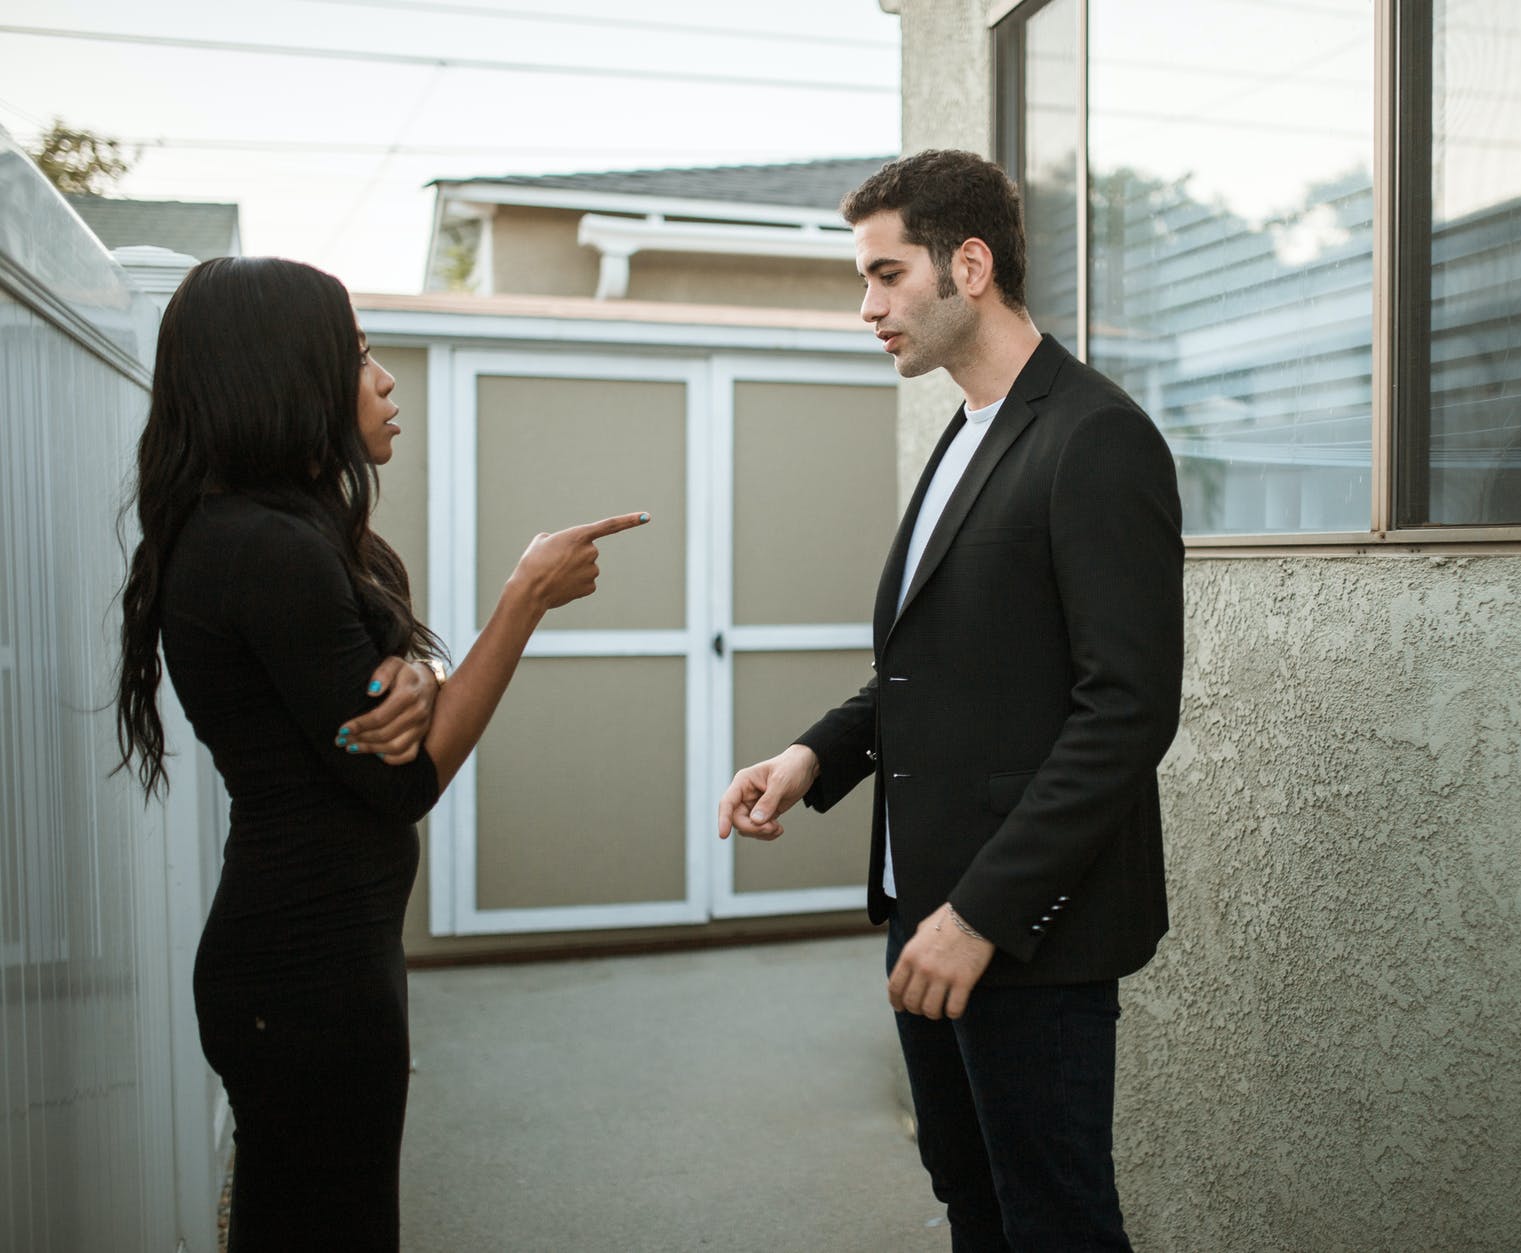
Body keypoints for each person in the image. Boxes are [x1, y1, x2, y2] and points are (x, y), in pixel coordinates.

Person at [113, 256, 648, 1252]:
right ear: (288, 378)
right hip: (305, 978)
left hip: (309, 965)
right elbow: (401, 779)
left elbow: (377, 718)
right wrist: (523, 598)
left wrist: (413, 667)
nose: (385, 378)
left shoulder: (258, 533)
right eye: (358, 356)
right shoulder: (266, 549)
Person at [718, 150, 1183, 1251]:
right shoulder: (966, 427)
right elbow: (936, 665)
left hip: (1020, 932)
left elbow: (1125, 710)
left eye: (885, 275)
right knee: (972, 1202)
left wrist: (979, 915)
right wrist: (814, 757)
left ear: (967, 265)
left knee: (1054, 1220)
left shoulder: (1095, 437)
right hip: (923, 914)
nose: (866, 307)